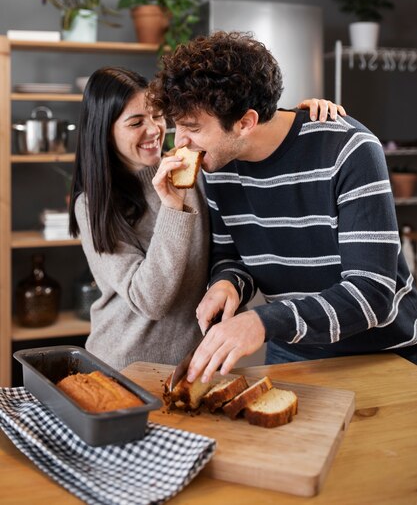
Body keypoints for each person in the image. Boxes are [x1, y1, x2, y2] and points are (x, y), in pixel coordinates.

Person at [147, 31, 417, 382]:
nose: (179, 143)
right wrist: (227, 283)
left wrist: (261, 321)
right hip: (291, 352)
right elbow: (232, 256)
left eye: (192, 128)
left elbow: (372, 293)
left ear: (246, 122)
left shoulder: (350, 149)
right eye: (176, 127)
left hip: (381, 356)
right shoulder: (217, 165)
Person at [69, 65, 333, 370]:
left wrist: (298, 120)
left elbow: (236, 131)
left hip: (198, 363)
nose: (154, 130)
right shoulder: (92, 205)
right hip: (125, 366)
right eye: (135, 122)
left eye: (156, 116)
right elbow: (150, 300)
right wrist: (172, 208)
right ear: (104, 130)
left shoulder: (191, 169)